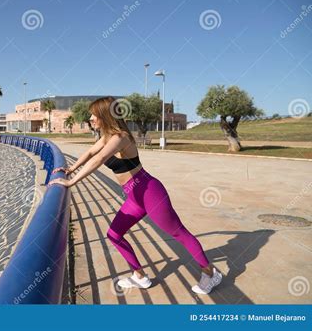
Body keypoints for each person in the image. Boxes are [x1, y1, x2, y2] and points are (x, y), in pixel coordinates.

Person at [48, 96, 222, 294]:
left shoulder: (120, 137)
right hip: (134, 197)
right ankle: (139, 276)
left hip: (149, 192)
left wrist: (71, 182)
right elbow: (90, 153)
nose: (91, 118)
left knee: (178, 233)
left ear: (105, 116)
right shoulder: (106, 137)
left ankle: (210, 273)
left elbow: (100, 159)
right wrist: (70, 169)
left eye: (94, 115)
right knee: (114, 234)